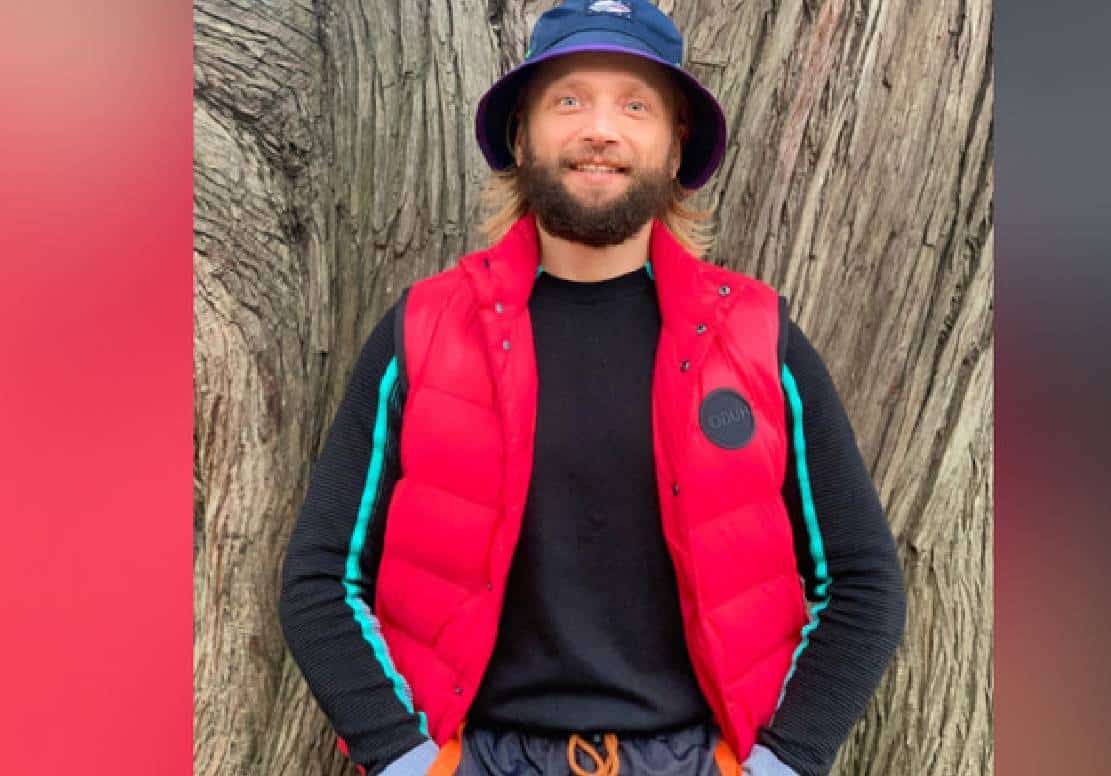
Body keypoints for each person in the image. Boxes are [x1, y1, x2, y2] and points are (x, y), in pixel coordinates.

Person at [278, 2, 906, 775]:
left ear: (675, 146)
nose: (600, 130)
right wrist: (404, 760)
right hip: (477, 756)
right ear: (521, 137)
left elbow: (861, 582)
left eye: (635, 105)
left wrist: (782, 763)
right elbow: (320, 577)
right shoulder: (424, 329)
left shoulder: (754, 338)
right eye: (568, 99)